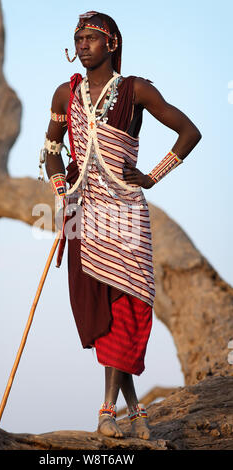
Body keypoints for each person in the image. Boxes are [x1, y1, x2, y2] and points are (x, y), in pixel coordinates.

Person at [42, 11, 201, 439]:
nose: (82, 46)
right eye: (77, 39)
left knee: (131, 304)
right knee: (105, 309)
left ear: (111, 44)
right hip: (84, 210)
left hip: (126, 211)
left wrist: (152, 176)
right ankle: (131, 412)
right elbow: (51, 150)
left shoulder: (137, 90)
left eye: (90, 38)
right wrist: (61, 185)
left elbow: (189, 131)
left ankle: (108, 411)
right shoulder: (65, 95)